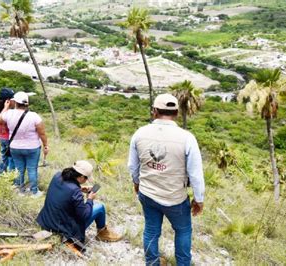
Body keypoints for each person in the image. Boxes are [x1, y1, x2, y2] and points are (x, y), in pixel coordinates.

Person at [127, 94, 205, 266]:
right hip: (175, 197)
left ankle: (152, 262)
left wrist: (137, 183)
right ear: (176, 113)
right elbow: (196, 173)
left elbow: (133, 166)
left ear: (154, 111)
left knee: (151, 231)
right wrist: (199, 199)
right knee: (183, 231)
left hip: (148, 193)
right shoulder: (187, 138)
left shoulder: (140, 133)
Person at [36, 160, 122, 251]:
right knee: (100, 207)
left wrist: (79, 188)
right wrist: (90, 199)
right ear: (81, 177)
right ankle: (102, 233)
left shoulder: (57, 176)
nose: (86, 180)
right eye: (86, 178)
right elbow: (85, 215)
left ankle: (103, 232)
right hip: (63, 229)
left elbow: (65, 190)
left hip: (46, 221)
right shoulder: (75, 191)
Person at [0, 91, 48, 197]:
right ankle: (34, 191)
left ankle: (20, 190)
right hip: (33, 147)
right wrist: (46, 145)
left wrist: (5, 107)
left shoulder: (9, 113)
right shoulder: (34, 116)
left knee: (19, 169)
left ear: (15, 102)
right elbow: (42, 133)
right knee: (32, 169)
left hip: (15, 147)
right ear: (27, 104)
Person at [0, 88, 16, 174]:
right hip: (8, 137)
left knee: (3, 156)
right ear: (8, 100)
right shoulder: (7, 111)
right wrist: (6, 108)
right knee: (11, 157)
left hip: (1, 136)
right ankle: (10, 176)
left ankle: (1, 172)